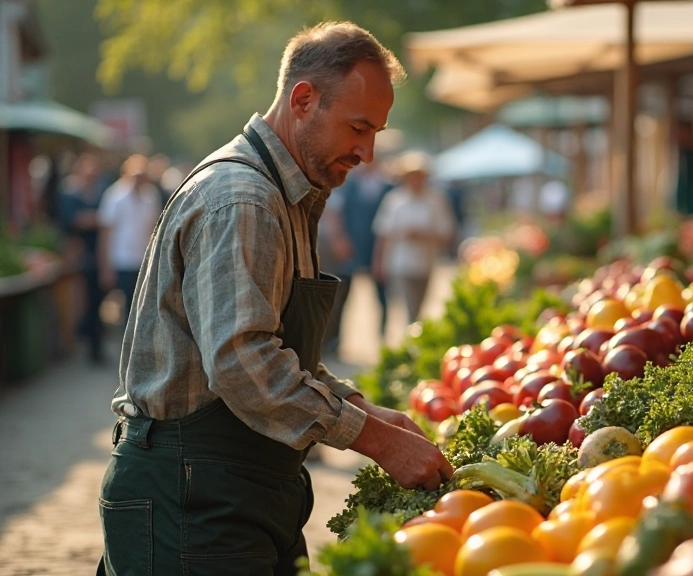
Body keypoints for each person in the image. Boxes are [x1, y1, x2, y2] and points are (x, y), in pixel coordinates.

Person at [97, 22, 453, 576]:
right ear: (303, 100)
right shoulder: (244, 199)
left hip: (231, 488)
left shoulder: (284, 195)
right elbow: (243, 362)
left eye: (376, 132)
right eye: (358, 128)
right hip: (191, 497)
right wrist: (375, 440)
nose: (367, 152)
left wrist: (363, 408)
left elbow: (277, 348)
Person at [372, 151, 455, 325]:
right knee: (409, 308)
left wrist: (423, 235)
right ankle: (411, 335)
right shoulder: (395, 200)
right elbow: (383, 233)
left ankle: (413, 333)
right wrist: (379, 262)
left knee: (419, 306)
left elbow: (447, 231)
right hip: (401, 263)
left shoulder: (435, 199)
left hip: (426, 262)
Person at [319, 160, 393, 356]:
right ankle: (333, 341)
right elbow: (336, 214)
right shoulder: (347, 184)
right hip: (351, 249)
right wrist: (339, 240)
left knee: (383, 297)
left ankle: (383, 340)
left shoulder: (387, 186)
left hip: (375, 249)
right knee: (341, 297)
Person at [97, 154, 162, 325]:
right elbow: (106, 233)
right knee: (128, 305)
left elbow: (154, 228)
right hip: (122, 258)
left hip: (143, 259)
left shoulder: (151, 195)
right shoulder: (115, 196)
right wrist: (105, 266)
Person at [58, 152, 107, 364]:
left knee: (95, 301)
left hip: (96, 255)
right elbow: (75, 221)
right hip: (77, 256)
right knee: (78, 304)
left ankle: (93, 345)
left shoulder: (100, 192)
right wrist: (100, 218)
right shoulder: (70, 192)